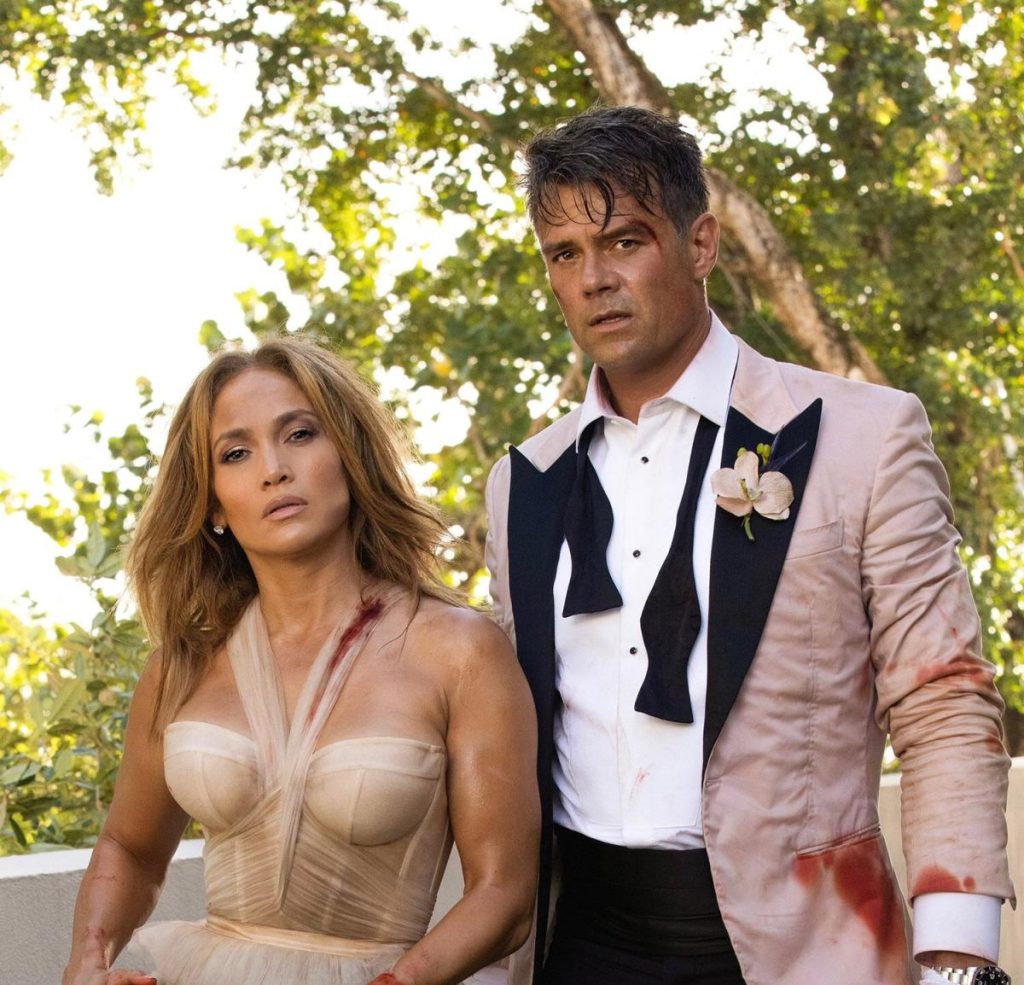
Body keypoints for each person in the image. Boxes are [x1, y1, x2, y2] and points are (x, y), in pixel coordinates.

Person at [484, 105, 1015, 985]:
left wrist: (958, 959)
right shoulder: (523, 483)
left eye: (624, 241)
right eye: (564, 254)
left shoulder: (863, 437)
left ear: (701, 244)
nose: (593, 279)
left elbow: (943, 701)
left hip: (802, 949)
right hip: (578, 943)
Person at [63, 336, 539, 985]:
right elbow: (131, 846)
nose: (273, 469)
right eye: (236, 453)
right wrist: (88, 962)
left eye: (300, 434)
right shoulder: (182, 666)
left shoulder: (460, 651)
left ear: (349, 454)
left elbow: (504, 894)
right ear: (212, 500)